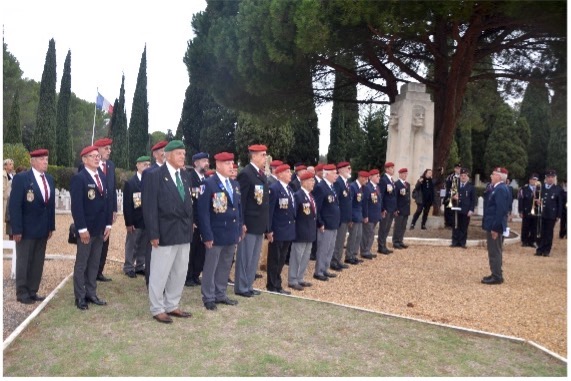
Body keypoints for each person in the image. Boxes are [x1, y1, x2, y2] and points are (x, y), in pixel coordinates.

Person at [142, 140, 193, 324]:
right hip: (164, 232)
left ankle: (172, 304)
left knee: (180, 270)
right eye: (179, 153)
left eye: (184, 153)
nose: (183, 157)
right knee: (160, 272)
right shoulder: (154, 175)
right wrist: (153, 233)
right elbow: (149, 207)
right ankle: (157, 308)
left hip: (183, 231)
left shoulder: (185, 175)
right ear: (168, 155)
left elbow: (187, 202)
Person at [9, 149, 55, 304]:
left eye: (46, 159)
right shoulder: (22, 178)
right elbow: (15, 206)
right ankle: (22, 292)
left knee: (38, 261)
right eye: (42, 159)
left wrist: (51, 226)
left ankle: (33, 290)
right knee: (24, 260)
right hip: (26, 229)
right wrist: (17, 229)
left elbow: (50, 206)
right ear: (33, 161)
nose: (45, 162)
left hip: (42, 229)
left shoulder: (49, 179)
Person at [197, 151, 241, 311]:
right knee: (211, 265)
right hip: (215, 233)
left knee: (225, 264)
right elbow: (202, 213)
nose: (231, 166)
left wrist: (239, 228)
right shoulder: (209, 184)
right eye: (228, 163)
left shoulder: (235, 185)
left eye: (232, 163)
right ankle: (208, 297)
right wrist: (207, 235)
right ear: (219, 165)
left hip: (231, 232)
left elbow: (238, 209)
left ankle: (220, 293)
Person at [71, 145, 113, 310]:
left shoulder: (102, 177)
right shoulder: (79, 178)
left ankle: (91, 293)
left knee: (94, 263)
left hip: (100, 228)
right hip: (87, 230)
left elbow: (108, 202)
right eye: (93, 156)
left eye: (98, 155)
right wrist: (81, 229)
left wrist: (108, 224)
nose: (97, 158)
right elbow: (77, 206)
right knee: (82, 263)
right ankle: (80, 297)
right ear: (84, 159)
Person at [234, 144, 270, 298]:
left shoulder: (261, 175)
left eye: (265, 155)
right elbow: (241, 201)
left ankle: (248, 285)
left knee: (254, 258)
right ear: (253, 156)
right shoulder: (246, 174)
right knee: (245, 257)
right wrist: (241, 223)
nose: (265, 158)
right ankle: (241, 287)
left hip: (259, 224)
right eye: (262, 155)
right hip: (248, 224)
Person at [140, 140, 168, 286]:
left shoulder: (172, 171)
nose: (165, 153)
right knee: (152, 251)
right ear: (155, 154)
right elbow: (147, 199)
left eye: (166, 150)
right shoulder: (149, 173)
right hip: (154, 219)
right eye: (162, 150)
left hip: (167, 221)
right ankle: (150, 280)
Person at [267, 164, 296, 294]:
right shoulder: (274, 189)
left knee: (282, 259)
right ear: (279, 175)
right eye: (287, 172)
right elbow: (270, 211)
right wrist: (269, 230)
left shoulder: (289, 189)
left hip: (288, 229)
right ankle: (272, 285)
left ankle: (277, 283)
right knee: (275, 258)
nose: (290, 174)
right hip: (278, 230)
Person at [122, 156, 151, 278]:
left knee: (143, 245)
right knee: (132, 244)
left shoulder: (150, 181)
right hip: (135, 220)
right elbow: (127, 205)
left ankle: (140, 265)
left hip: (146, 220)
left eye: (149, 165)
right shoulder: (131, 183)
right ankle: (129, 266)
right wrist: (129, 223)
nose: (147, 167)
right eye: (145, 165)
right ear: (138, 165)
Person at [92, 138, 117, 283]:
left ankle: (99, 271)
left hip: (107, 209)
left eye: (109, 148)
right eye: (106, 148)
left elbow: (112, 189)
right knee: (93, 241)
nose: (109, 151)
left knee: (105, 240)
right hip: (95, 210)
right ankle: (90, 273)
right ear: (99, 149)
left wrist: (114, 209)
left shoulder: (111, 165)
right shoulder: (88, 165)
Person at [481, 167, 511, 285]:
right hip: (493, 223)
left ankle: (497, 276)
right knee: (494, 250)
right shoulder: (499, 188)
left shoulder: (500, 189)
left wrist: (495, 228)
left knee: (495, 251)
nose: (491, 176)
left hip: (495, 225)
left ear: (499, 176)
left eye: (493, 174)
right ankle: (496, 273)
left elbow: (500, 210)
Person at [288, 171, 316, 291]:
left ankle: (300, 278)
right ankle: (292, 279)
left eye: (313, 180)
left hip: (309, 231)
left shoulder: (310, 196)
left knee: (305, 256)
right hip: (300, 231)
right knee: (296, 256)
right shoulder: (298, 195)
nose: (313, 183)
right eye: (310, 180)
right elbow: (294, 214)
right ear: (303, 182)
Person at [185, 152, 210, 287]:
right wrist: (191, 219)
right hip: (194, 221)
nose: (206, 163)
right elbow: (188, 201)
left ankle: (195, 274)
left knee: (201, 249)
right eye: (203, 161)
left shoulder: (206, 179)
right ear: (195, 163)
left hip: (204, 221)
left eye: (207, 161)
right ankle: (188, 276)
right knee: (192, 249)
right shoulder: (190, 178)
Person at [312, 164, 340, 281]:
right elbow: (317, 207)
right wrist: (320, 222)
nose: (336, 176)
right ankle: (318, 271)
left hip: (333, 223)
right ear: (327, 174)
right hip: (326, 224)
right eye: (334, 173)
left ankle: (325, 269)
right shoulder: (321, 187)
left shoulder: (331, 187)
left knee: (330, 248)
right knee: (323, 248)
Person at [536, 169, 563, 257]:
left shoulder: (558, 189)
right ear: (546, 178)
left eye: (552, 177)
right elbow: (536, 198)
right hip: (542, 213)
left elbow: (560, 203)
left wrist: (558, 215)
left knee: (549, 233)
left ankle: (547, 250)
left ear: (554, 178)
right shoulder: (541, 187)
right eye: (549, 177)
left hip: (551, 215)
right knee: (541, 232)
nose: (550, 179)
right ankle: (539, 249)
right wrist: (537, 202)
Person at [331, 161, 353, 270]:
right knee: (338, 240)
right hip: (340, 217)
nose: (350, 170)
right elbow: (337, 201)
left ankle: (338, 260)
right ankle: (334, 261)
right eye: (347, 168)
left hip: (345, 217)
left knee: (341, 240)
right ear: (340, 170)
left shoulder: (346, 183)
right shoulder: (338, 182)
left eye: (349, 168)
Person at [450, 168, 477, 248]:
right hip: (456, 209)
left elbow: (473, 200)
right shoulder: (455, 186)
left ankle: (462, 243)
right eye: (461, 176)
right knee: (455, 226)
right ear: (460, 176)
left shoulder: (471, 187)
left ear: (467, 177)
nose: (463, 177)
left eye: (465, 176)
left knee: (464, 226)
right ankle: (455, 242)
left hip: (466, 210)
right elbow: (450, 196)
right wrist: (453, 197)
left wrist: (471, 210)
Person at [347, 170, 370, 260]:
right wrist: (350, 218)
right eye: (365, 178)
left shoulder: (361, 188)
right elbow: (350, 203)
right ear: (360, 178)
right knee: (353, 236)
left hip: (359, 215)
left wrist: (364, 215)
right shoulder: (353, 187)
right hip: (354, 215)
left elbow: (363, 203)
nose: (366, 181)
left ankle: (354, 254)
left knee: (359, 235)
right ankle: (349, 255)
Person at [361, 169, 382, 259]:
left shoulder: (376, 187)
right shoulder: (367, 187)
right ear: (370, 177)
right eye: (376, 176)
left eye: (379, 176)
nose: (379, 177)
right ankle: (364, 251)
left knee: (371, 234)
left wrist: (381, 212)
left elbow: (378, 201)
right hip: (369, 215)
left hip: (375, 215)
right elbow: (365, 203)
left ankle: (367, 250)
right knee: (368, 234)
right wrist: (365, 215)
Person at [377, 162, 396, 254]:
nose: (393, 169)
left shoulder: (391, 180)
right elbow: (381, 195)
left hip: (391, 208)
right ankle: (381, 246)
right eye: (391, 168)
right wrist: (382, 208)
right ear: (387, 169)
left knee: (387, 228)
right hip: (386, 208)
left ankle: (384, 245)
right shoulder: (383, 180)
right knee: (383, 228)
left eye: (393, 168)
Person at [517, 173, 540, 247]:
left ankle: (532, 241)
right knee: (525, 226)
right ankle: (524, 241)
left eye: (536, 180)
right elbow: (521, 200)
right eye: (533, 179)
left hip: (535, 211)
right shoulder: (524, 189)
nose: (534, 181)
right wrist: (520, 211)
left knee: (534, 227)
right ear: (530, 180)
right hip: (526, 210)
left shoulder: (539, 190)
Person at [393, 168, 411, 249]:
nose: (405, 175)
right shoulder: (396, 184)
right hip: (399, 208)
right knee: (398, 226)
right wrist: (395, 208)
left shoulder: (407, 184)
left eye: (406, 174)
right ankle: (396, 241)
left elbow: (407, 197)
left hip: (406, 208)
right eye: (403, 173)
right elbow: (395, 197)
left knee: (403, 226)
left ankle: (400, 240)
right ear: (400, 174)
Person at [444, 163, 462, 228]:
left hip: (459, 196)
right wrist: (452, 195)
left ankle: (457, 223)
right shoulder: (450, 177)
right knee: (449, 210)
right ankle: (448, 224)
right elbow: (447, 187)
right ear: (454, 169)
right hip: (451, 195)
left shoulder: (462, 177)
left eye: (459, 168)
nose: (458, 170)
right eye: (457, 168)